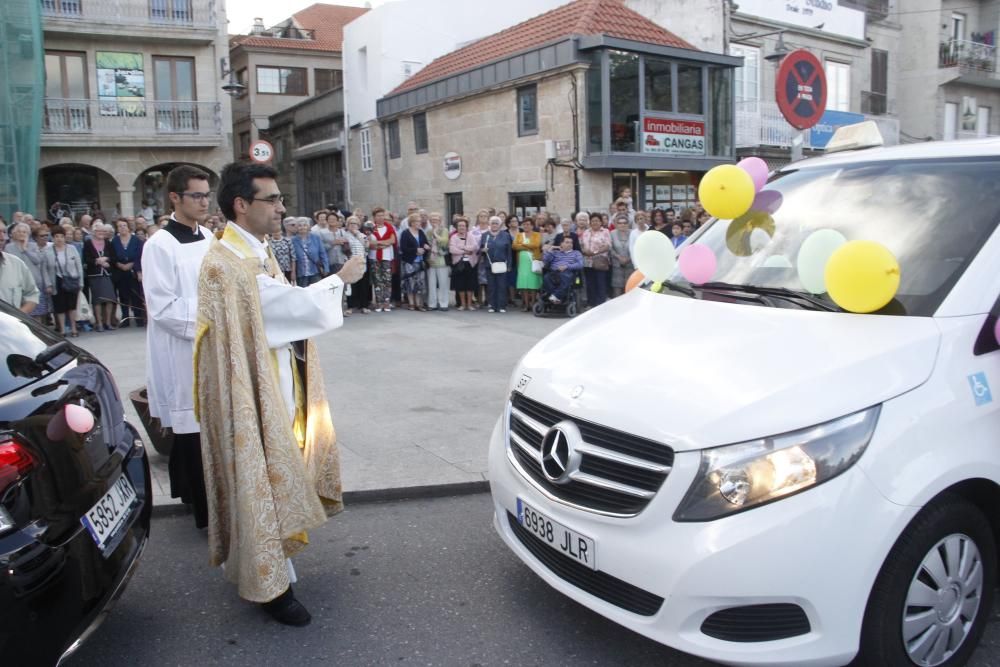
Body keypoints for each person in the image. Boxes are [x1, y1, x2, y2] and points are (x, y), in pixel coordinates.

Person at [193, 161, 365, 627]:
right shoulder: (225, 262)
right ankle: (269, 586)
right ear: (241, 205)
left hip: (273, 378)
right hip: (250, 391)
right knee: (259, 478)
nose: (281, 208)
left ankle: (278, 562)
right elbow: (280, 307)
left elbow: (275, 310)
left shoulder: (256, 249)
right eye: (272, 200)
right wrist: (339, 281)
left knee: (276, 474)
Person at [143, 164, 214, 530]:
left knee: (209, 430)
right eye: (196, 195)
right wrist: (211, 322)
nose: (204, 202)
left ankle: (210, 504)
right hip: (182, 349)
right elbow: (163, 307)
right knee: (192, 431)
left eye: (206, 194)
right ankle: (202, 511)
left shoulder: (210, 237)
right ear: (175, 197)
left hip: (213, 346)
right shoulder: (160, 244)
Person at [6, 222, 53, 324]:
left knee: (38, 313)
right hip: (18, 284)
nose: (21, 234)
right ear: (14, 234)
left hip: (34, 283)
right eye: (19, 231)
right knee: (22, 314)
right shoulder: (9, 247)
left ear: (28, 233)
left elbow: (37, 260)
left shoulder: (33, 246)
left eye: (24, 232)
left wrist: (25, 249)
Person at [47, 227, 83, 336]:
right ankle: (62, 330)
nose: (59, 239)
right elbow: (45, 269)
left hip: (71, 279)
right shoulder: (48, 251)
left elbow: (79, 265)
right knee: (60, 307)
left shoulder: (71, 248)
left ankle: (73, 328)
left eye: (61, 236)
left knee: (72, 306)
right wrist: (48, 284)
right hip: (56, 280)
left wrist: (81, 282)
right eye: (56, 237)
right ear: (53, 238)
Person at [82, 222, 118, 331]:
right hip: (95, 274)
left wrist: (106, 259)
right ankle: (99, 323)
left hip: (107, 274)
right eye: (98, 231)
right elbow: (86, 259)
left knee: (110, 299)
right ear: (93, 232)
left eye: (103, 231)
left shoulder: (108, 243)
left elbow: (114, 257)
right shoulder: (88, 243)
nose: (101, 233)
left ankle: (107, 323)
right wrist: (97, 261)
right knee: (97, 300)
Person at [0, 222, 40, 312]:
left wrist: (18, 317)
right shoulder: (10, 247)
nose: (2, 238)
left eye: (3, 232)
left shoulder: (16, 263)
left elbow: (32, 294)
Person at [112, 218, 145, 326]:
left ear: (128, 227)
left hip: (133, 271)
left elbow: (139, 255)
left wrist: (132, 264)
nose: (122, 228)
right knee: (123, 296)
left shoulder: (136, 240)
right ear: (117, 228)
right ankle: (125, 318)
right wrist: (119, 264)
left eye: (124, 225)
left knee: (135, 295)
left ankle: (138, 318)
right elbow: (112, 255)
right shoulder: (114, 241)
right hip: (120, 272)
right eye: (120, 226)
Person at [480, 216, 512, 313]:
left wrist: (509, 265)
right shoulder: (485, 235)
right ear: (490, 224)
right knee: (491, 286)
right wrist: (483, 250)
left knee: (501, 285)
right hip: (489, 264)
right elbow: (480, 249)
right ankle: (492, 305)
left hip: (502, 264)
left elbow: (509, 251)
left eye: (496, 223)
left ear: (500, 225)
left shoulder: (505, 235)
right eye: (492, 223)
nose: (494, 225)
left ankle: (501, 305)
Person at [399, 213, 430, 311]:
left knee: (420, 283)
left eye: (420, 221)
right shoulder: (405, 233)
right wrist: (415, 250)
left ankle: (419, 304)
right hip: (409, 262)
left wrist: (426, 247)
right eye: (417, 221)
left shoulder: (421, 232)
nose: (419, 223)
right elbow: (403, 248)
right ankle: (411, 303)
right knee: (410, 283)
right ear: (412, 222)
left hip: (420, 262)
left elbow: (425, 243)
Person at [581, 212, 611, 308]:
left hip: (600, 261)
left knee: (600, 283)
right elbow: (582, 244)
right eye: (593, 220)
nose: (595, 222)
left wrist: (594, 252)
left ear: (601, 222)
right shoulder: (586, 232)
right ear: (590, 222)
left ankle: (601, 304)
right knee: (590, 283)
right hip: (587, 261)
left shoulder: (605, 231)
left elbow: (607, 246)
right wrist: (585, 251)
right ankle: (591, 303)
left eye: (597, 220)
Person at [368, 207, 396, 312]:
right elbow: (370, 243)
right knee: (377, 279)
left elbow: (392, 240)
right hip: (374, 257)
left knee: (387, 280)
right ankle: (379, 303)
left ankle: (387, 302)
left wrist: (379, 243)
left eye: (382, 215)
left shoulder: (389, 227)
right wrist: (384, 243)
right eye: (378, 215)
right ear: (374, 217)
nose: (381, 217)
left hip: (386, 257)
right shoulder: (371, 228)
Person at [542, 236, 583, 304]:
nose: (570, 244)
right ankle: (556, 297)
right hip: (554, 272)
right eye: (567, 242)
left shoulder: (576, 253)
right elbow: (545, 261)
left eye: (571, 243)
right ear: (561, 244)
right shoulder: (555, 252)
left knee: (565, 276)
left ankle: (555, 296)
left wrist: (566, 266)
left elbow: (580, 264)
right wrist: (550, 249)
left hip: (568, 272)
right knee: (546, 277)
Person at [512, 217, 542, 311]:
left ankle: (533, 303)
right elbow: (514, 246)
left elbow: (536, 245)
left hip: (533, 262)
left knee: (532, 284)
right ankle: (526, 304)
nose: (526, 226)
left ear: (532, 226)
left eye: (528, 224)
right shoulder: (519, 235)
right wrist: (527, 247)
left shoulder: (537, 235)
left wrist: (522, 245)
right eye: (524, 224)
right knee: (523, 284)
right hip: (522, 263)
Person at [449, 218, 478, 311]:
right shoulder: (454, 237)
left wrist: (462, 247)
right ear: (457, 227)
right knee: (460, 285)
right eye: (460, 226)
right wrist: (465, 251)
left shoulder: (470, 236)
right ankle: (463, 304)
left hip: (470, 263)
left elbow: (474, 247)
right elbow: (452, 249)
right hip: (459, 264)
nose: (462, 227)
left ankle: (469, 304)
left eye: (463, 226)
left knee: (470, 285)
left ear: (466, 227)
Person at [344, 216, 371, 315]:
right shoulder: (345, 235)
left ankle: (364, 306)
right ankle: (350, 307)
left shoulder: (362, 235)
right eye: (351, 223)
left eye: (355, 223)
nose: (353, 225)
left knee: (363, 285)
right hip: (350, 263)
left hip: (361, 263)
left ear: (359, 225)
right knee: (351, 285)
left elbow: (367, 247)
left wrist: (358, 235)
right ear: (347, 225)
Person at [292, 217, 329, 287]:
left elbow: (323, 254)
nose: (302, 227)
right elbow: (292, 258)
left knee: (317, 291)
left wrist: (326, 267)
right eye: (300, 225)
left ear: (309, 227)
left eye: (305, 225)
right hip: (301, 273)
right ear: (297, 227)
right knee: (303, 294)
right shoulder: (293, 240)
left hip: (315, 271)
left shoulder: (316, 238)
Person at [425, 212, 450, 311]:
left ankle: (444, 303)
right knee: (431, 284)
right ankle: (432, 304)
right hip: (431, 260)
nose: (434, 222)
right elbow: (427, 243)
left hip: (441, 259)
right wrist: (427, 246)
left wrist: (435, 233)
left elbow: (444, 241)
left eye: (436, 220)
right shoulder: (428, 232)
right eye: (432, 220)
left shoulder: (444, 230)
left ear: (440, 221)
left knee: (443, 283)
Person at [610, 213, 634, 298]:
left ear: (628, 224)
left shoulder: (633, 233)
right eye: (620, 223)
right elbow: (610, 248)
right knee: (617, 290)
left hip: (630, 265)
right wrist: (618, 257)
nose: (622, 225)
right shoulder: (612, 233)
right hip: (617, 265)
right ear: (616, 224)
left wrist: (629, 258)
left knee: (630, 289)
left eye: (624, 223)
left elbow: (635, 248)